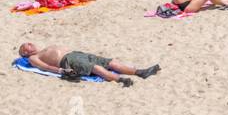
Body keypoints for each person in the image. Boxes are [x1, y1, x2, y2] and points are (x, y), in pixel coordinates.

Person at [19, 43, 158, 84]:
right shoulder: (33, 58)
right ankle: (121, 79)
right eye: (25, 47)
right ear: (25, 54)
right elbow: (45, 67)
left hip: (77, 54)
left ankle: (140, 72)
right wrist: (61, 71)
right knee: (95, 68)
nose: (29, 45)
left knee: (109, 62)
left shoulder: (42, 49)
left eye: (29, 43)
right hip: (68, 61)